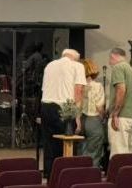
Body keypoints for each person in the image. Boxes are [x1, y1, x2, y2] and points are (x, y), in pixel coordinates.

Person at [38, 48, 86, 177]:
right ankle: (65, 176)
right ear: (75, 58)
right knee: (66, 145)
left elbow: (44, 89)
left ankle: (50, 176)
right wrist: (77, 117)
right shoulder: (77, 66)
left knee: (49, 144)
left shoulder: (49, 66)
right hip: (64, 108)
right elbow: (78, 91)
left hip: (46, 107)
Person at [106, 47, 132, 156]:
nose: (109, 62)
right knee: (130, 155)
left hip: (122, 116)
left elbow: (121, 89)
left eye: (110, 59)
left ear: (113, 56)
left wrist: (116, 113)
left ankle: (118, 174)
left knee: (119, 154)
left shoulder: (118, 67)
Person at [80, 59, 106, 165]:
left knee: (82, 149)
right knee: (94, 152)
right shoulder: (97, 86)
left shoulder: (78, 86)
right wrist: (103, 117)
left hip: (81, 120)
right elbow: (99, 107)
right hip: (93, 120)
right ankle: (92, 175)